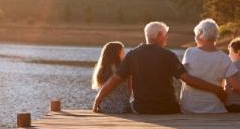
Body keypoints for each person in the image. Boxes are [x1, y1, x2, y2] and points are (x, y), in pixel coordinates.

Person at [92, 21, 226, 114]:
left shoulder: (132, 55)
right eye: (165, 35)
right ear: (159, 36)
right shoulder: (169, 55)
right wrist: (216, 89)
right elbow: (187, 79)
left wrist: (98, 98)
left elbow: (115, 79)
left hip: (142, 109)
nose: (166, 39)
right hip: (168, 109)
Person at [180, 19, 240, 114]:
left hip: (189, 109)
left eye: (195, 35)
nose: (195, 38)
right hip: (214, 110)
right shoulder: (224, 58)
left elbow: (184, 78)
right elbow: (235, 85)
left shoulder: (190, 52)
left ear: (200, 34)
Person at [91, 41, 131, 113]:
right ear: (117, 54)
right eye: (123, 53)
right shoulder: (123, 70)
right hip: (121, 108)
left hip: (105, 107)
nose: (125, 55)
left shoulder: (103, 69)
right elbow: (129, 92)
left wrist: (97, 101)